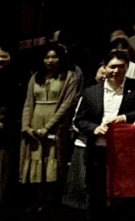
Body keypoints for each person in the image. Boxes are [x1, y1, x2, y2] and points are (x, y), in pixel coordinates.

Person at [74, 50, 135, 220]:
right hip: (99, 149)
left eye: (121, 67)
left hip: (128, 151)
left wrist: (125, 118)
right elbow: (80, 120)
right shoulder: (91, 92)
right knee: (97, 193)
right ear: (104, 68)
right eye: (112, 67)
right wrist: (95, 128)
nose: (116, 71)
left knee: (128, 195)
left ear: (128, 67)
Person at [19, 44, 80, 210]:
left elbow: (66, 104)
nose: (50, 60)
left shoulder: (69, 76)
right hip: (35, 121)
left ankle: (49, 201)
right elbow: (28, 103)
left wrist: (48, 127)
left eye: (54, 57)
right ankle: (37, 199)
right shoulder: (36, 76)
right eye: (47, 57)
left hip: (56, 125)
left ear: (61, 58)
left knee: (52, 160)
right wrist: (26, 126)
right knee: (35, 160)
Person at [0, 46, 18, 210]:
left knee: (2, 166)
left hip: (6, 127)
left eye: (4, 56)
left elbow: (17, 103)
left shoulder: (16, 76)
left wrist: (2, 121)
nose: (0, 59)